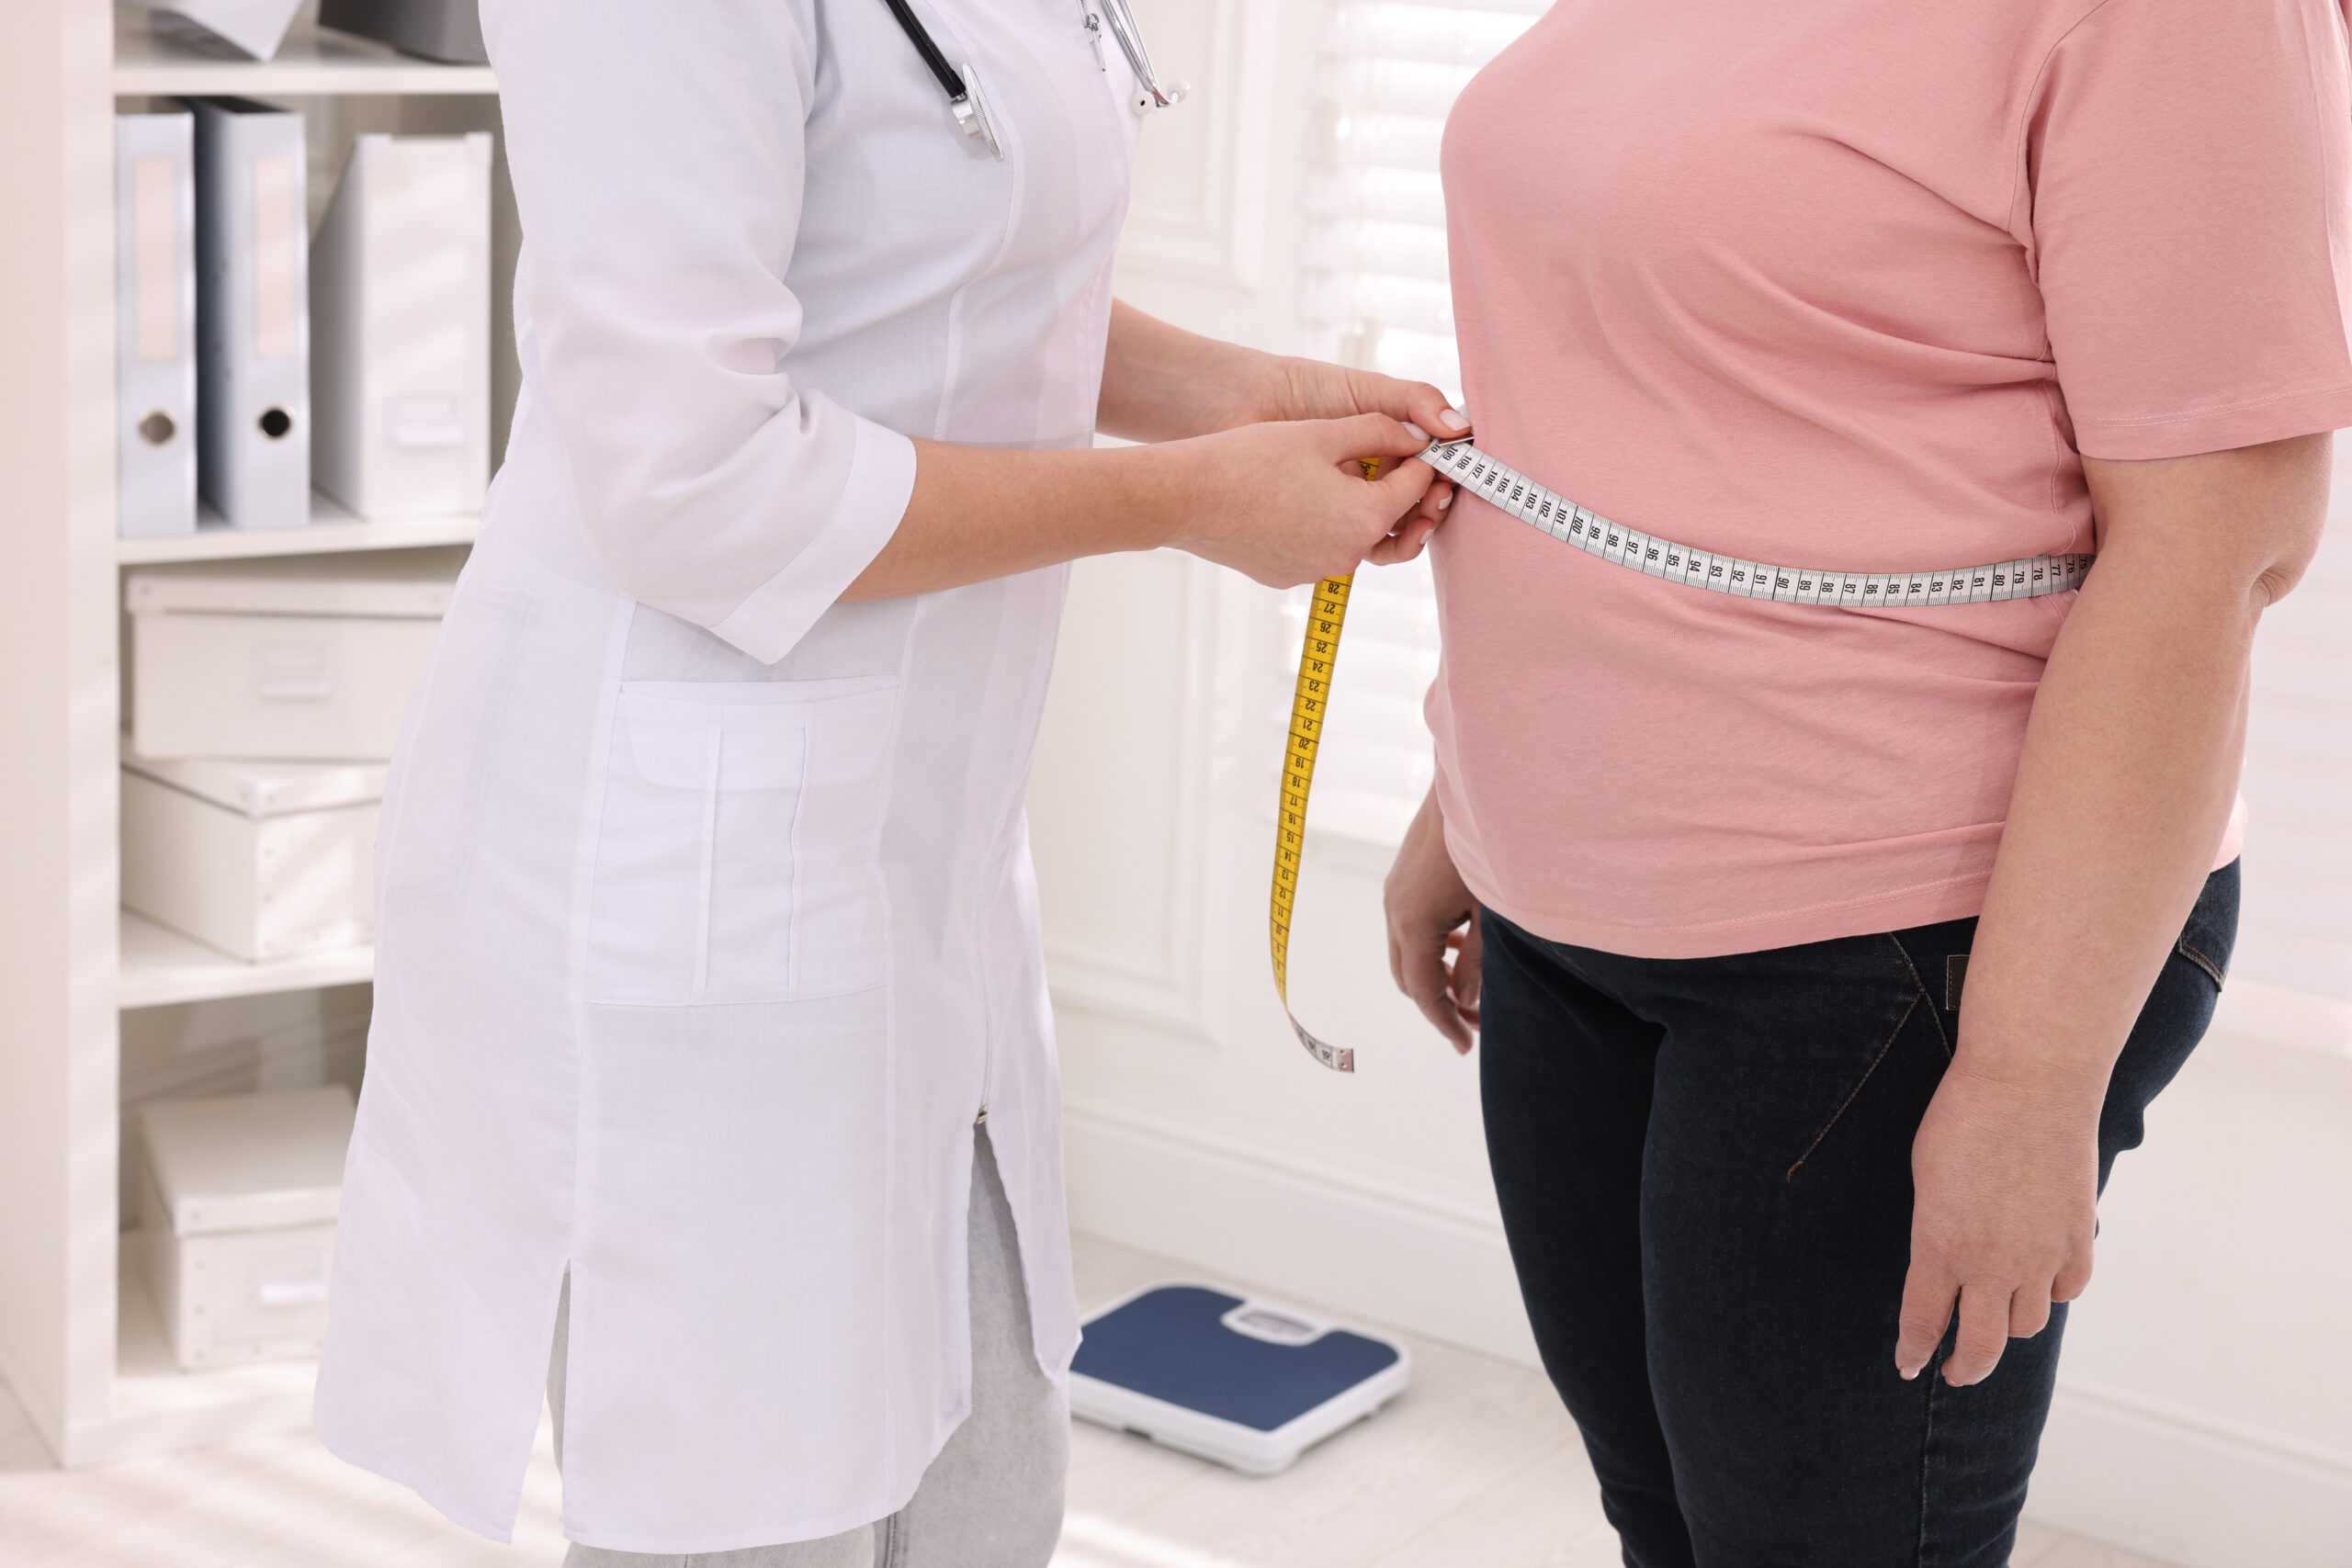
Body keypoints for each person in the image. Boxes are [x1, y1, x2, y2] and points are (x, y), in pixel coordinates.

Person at [311, 0, 1461, 1562]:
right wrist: (1185, 500)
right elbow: (694, 483)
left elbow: (939, 256)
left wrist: (1237, 398)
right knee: (754, 1515)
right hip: (692, 866)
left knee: (987, 1493)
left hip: (920, 850)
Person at [1382, 3, 2348, 1564]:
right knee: (1667, 1527)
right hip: (1567, 904)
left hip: (1903, 943)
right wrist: (1467, 790)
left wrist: (2028, 1084)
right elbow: (1651, 395)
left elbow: (2217, 546)